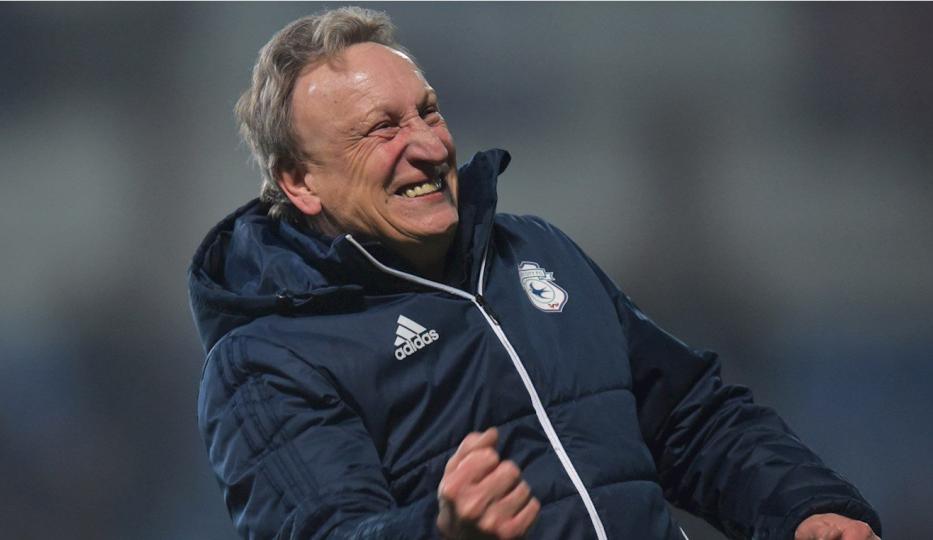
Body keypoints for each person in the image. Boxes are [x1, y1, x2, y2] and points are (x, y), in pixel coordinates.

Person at [188, 7, 882, 540]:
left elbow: (690, 420)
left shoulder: (537, 251)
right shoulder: (268, 359)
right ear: (300, 181)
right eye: (382, 129)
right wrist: (440, 534)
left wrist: (806, 506)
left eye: (428, 111)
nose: (428, 145)